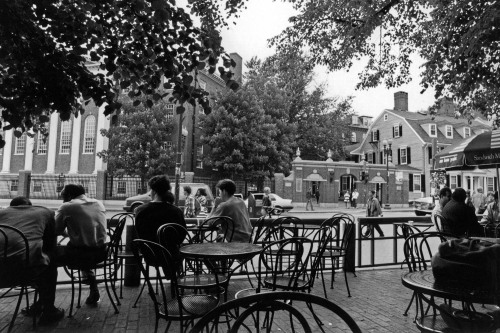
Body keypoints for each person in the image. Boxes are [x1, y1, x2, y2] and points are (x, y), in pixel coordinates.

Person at [0, 197, 64, 324]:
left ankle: (39, 304)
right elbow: (50, 243)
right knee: (49, 263)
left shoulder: (2, 213)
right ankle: (48, 311)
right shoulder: (45, 212)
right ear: (30, 206)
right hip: (22, 272)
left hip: (1, 274)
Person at [55, 184, 107, 305]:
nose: (62, 199)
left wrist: (68, 234)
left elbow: (56, 230)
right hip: (102, 252)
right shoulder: (98, 203)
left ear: (69, 195)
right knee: (81, 247)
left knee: (49, 260)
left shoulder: (66, 206)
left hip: (80, 254)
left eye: (63, 196)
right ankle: (92, 283)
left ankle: (44, 301)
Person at [135, 175, 186, 262]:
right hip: (171, 254)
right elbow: (182, 234)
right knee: (174, 253)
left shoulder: (140, 210)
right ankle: (173, 275)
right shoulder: (176, 211)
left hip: (150, 254)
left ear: (153, 191)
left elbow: (139, 233)